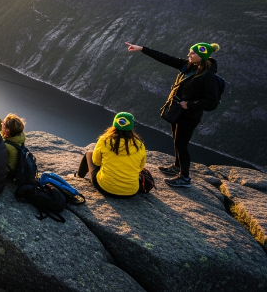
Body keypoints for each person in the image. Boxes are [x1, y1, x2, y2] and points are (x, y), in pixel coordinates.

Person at [126, 41, 220, 188]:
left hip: (189, 116)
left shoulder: (208, 76)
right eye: (190, 51)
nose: (189, 54)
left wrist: (190, 105)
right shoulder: (189, 66)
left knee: (181, 145)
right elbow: (166, 58)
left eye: (193, 53)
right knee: (177, 142)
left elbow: (212, 102)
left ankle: (185, 178)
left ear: (202, 56)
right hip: (177, 111)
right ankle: (177, 166)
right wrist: (142, 49)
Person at [76, 113, 146, 197]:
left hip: (105, 188)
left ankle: (78, 176)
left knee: (89, 154)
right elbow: (140, 168)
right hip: (131, 192)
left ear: (114, 125)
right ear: (131, 127)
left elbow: (96, 162)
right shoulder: (139, 145)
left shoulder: (104, 140)